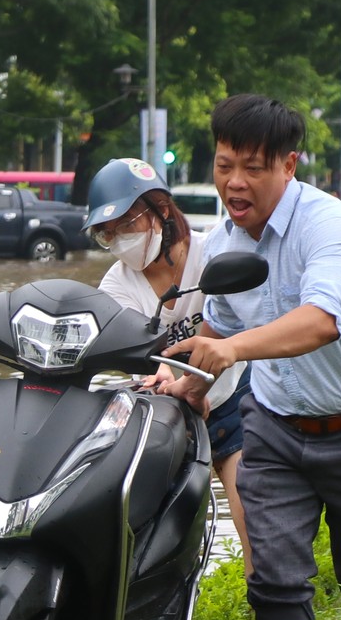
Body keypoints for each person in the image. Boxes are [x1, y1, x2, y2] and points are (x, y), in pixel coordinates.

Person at [152, 95, 341, 620]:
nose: (235, 183)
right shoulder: (223, 244)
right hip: (272, 421)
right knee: (271, 570)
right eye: (223, 166)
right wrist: (183, 376)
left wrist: (234, 352)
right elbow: (222, 327)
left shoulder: (328, 225)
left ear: (289, 167)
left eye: (253, 168)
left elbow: (322, 320)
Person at [84, 157, 253, 569]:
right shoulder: (115, 286)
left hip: (231, 403)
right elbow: (144, 360)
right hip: (167, 415)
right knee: (136, 530)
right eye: (107, 234)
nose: (119, 240)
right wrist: (160, 375)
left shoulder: (211, 251)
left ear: (160, 210)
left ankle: (268, 612)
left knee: (255, 524)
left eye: (127, 225)